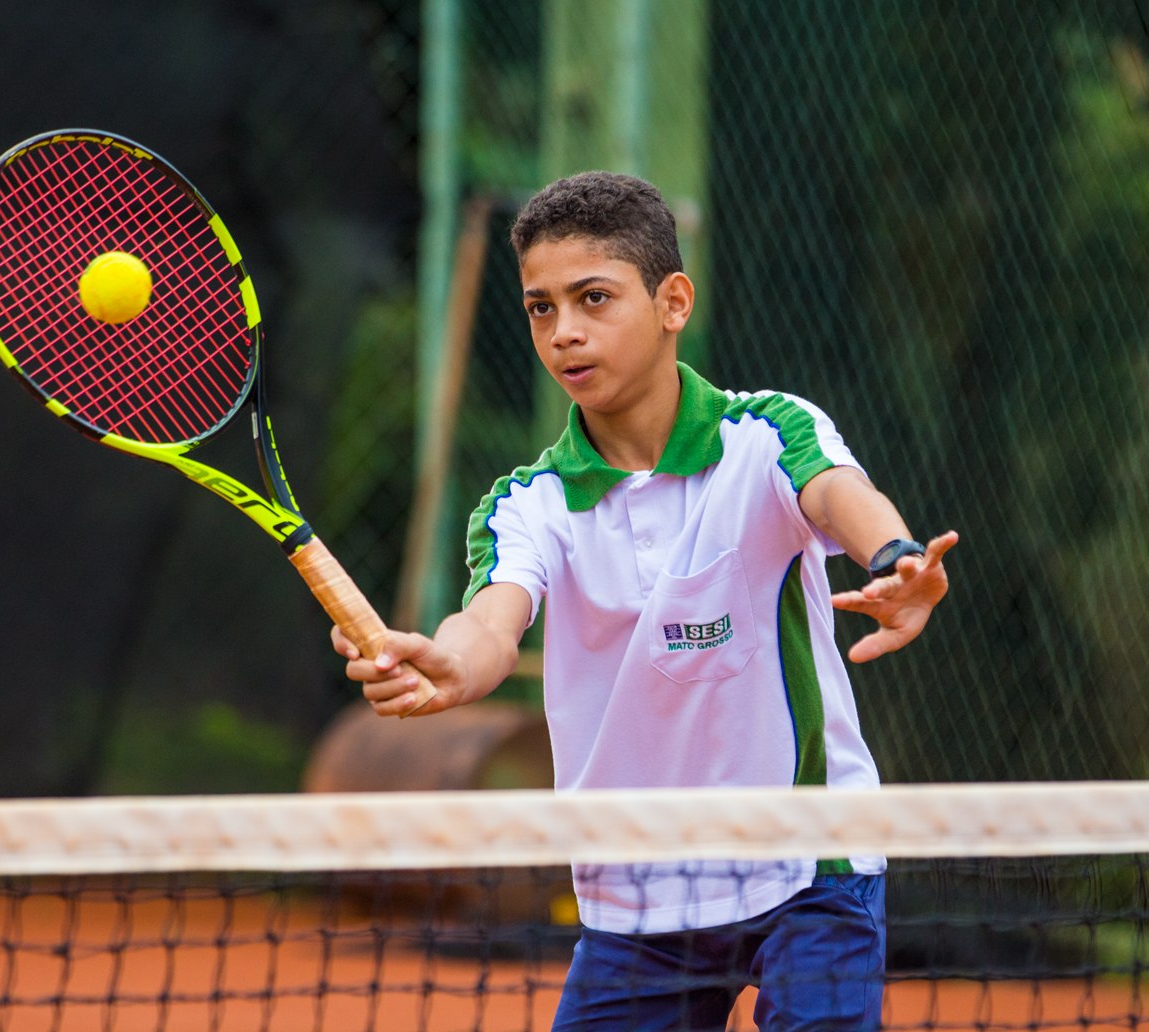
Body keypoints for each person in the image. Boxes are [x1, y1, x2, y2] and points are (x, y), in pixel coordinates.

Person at [331, 171, 957, 1031]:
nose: (565, 333)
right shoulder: (529, 503)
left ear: (673, 302)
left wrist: (897, 556)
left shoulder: (766, 435)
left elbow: (838, 493)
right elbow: (490, 621)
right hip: (636, 893)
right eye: (541, 308)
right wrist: (450, 666)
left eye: (594, 298)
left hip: (807, 863)